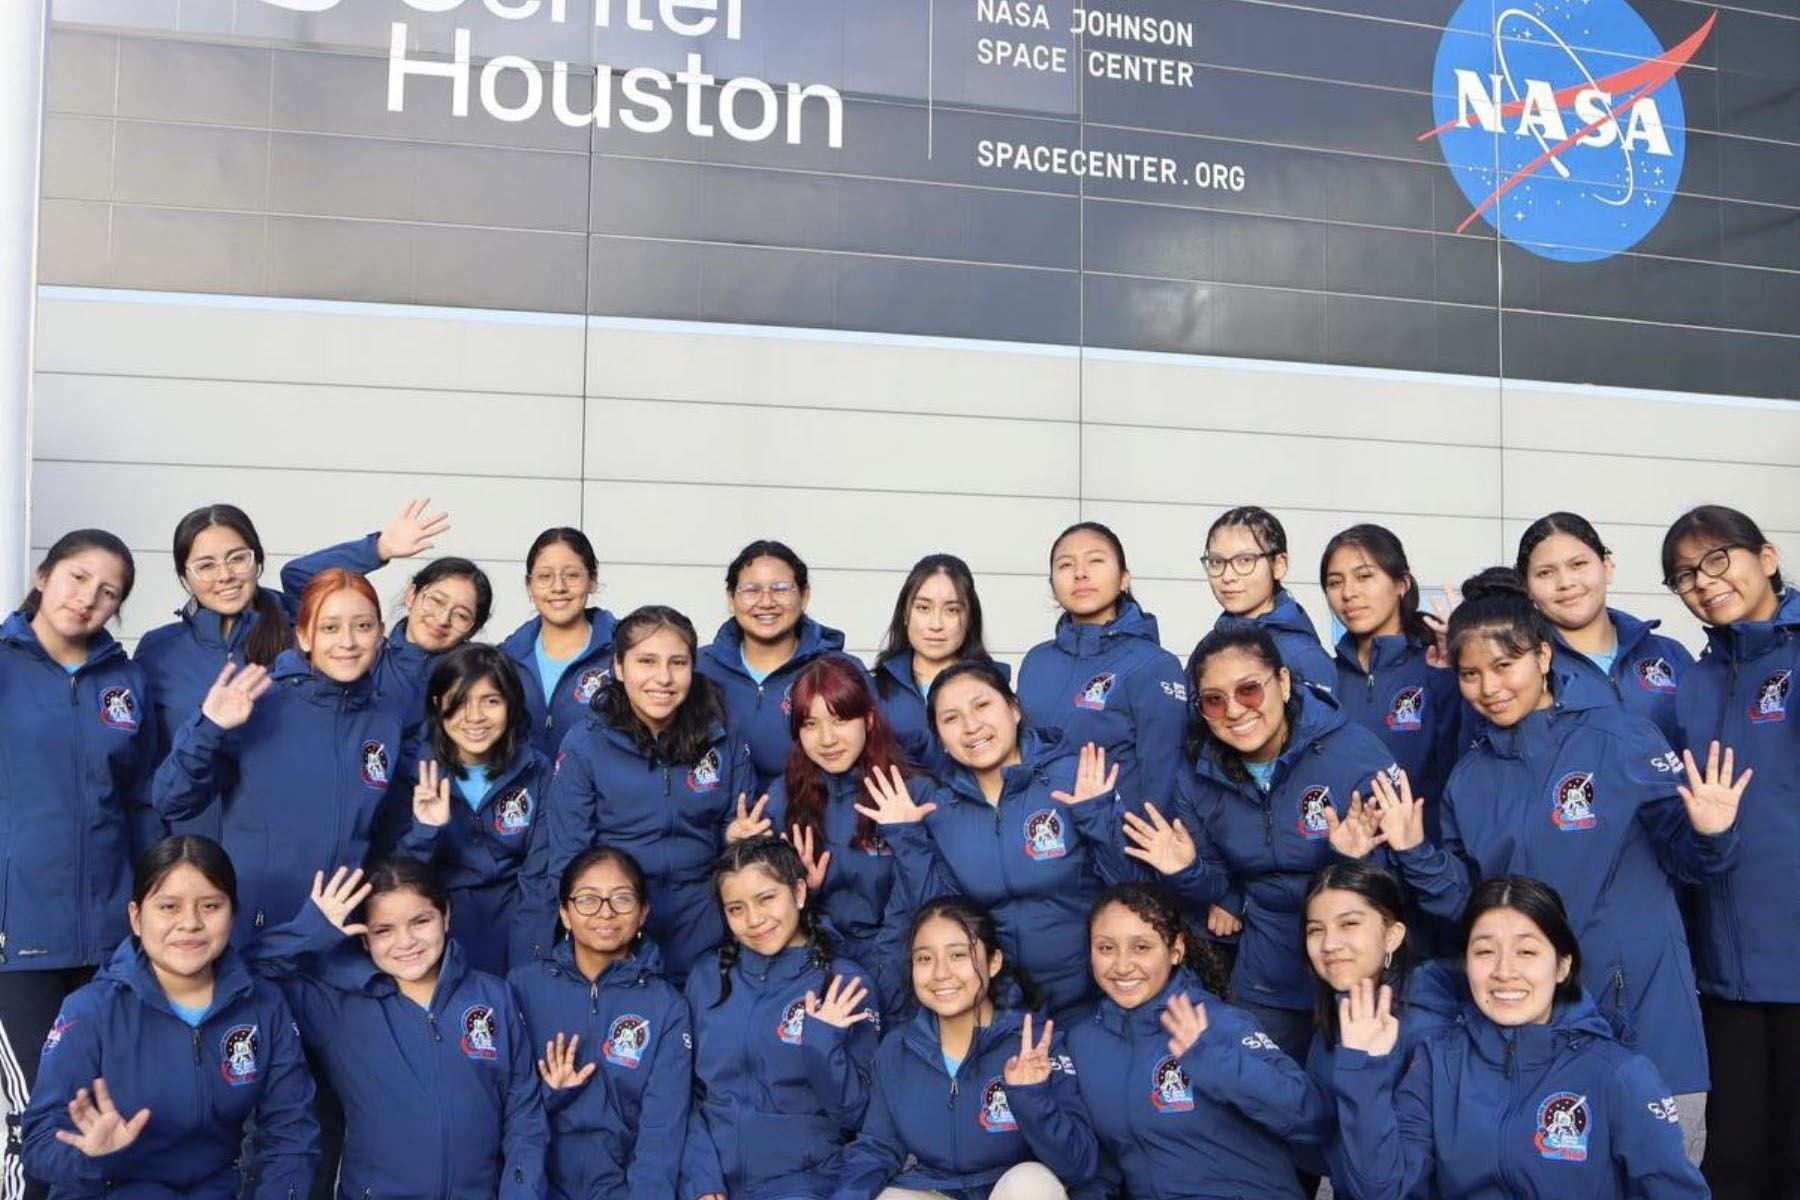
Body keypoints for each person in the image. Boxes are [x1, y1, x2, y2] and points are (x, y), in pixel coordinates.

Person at [1355, 568, 1745, 1149]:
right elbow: (1468, 904)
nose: (1489, 687)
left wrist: (1712, 832)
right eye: (1470, 674)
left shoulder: (1620, 739)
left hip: (1644, 1021)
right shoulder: (1470, 778)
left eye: (1504, 665)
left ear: (1542, 655)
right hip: (1535, 1031)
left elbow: (1692, 866)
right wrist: (1413, 852)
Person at [1329, 876, 1707, 1199]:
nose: (1504, 971)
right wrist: (1364, 1072)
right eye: (1485, 952)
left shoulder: (1618, 1074)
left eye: (1526, 951)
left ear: (1562, 965)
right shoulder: (1439, 1062)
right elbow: (1381, 1190)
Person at [1124, 620, 1397, 1064]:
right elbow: (1215, 886)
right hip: (1267, 975)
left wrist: (1346, 861)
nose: (1234, 710)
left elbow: (1396, 881)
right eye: (1214, 700)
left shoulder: (1354, 755)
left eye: (1249, 690)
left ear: (1283, 682)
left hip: (1353, 966)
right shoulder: (1198, 774)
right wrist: (1186, 872)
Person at [0, 530, 163, 1196]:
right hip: (19, 940)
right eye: (76, 578)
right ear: (43, 577)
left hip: (107, 942)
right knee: (33, 1115)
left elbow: (143, 804)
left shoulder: (125, 680)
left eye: (108, 592)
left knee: (101, 1105)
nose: (87, 599)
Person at [21, 836, 318, 1200]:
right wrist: (91, 1156)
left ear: (233, 914)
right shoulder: (90, 1011)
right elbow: (38, 1142)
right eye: (168, 907)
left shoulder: (264, 1006)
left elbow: (290, 1135)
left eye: (210, 906)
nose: (190, 923)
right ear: (136, 917)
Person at [251, 859, 549, 1200]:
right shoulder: (337, 1005)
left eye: (421, 921)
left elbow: (524, 1113)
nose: (405, 942)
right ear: (364, 939)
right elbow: (243, 975)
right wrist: (312, 931)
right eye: (384, 930)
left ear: (446, 915)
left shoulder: (494, 996)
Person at [151, 569, 420, 941]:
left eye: (362, 626)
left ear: (380, 633)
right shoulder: (259, 702)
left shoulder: (385, 722)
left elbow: (382, 835)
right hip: (258, 930)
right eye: (330, 628)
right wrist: (209, 728)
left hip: (339, 933)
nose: (348, 642)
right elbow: (171, 799)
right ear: (304, 636)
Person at [864, 661, 1136, 1018]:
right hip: (999, 1012)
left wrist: (1097, 818)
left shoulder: (1075, 777)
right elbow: (943, 915)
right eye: (951, 718)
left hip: (1098, 1005)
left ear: (1014, 708)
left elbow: (1134, 890)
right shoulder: (939, 810)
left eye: (982, 706)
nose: (971, 726)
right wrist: (907, 839)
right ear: (941, 741)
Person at [1661, 504, 1798, 1198]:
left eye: (1718, 559)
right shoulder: (1696, 679)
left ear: (1766, 557)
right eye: (1685, 575)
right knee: (1736, 1165)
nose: (1703, 582)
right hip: (1728, 972)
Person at [1065, 884, 1327, 1200]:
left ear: (1176, 950)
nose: (1122, 965)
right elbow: (1103, 1165)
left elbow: (1311, 1117)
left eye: (1142, 947)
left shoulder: (1216, 1023)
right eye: (1106, 948)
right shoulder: (1085, 1042)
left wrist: (1212, 1060)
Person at [831, 897, 1097, 1200]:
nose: (940, 973)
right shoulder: (898, 1049)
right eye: (924, 959)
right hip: (933, 1188)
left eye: (958, 955)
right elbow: (878, 1147)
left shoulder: (1033, 1044)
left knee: (1033, 1182)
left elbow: (1080, 1166)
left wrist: (1032, 1097)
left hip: (1009, 1188)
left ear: (993, 961)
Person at [544, 606, 757, 984]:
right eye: (647, 661)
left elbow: (739, 830)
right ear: (620, 668)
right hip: (617, 923)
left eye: (678, 662)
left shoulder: (722, 736)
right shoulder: (585, 744)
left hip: (703, 920)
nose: (663, 677)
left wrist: (733, 839)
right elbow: (569, 857)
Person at [681, 838, 878, 1200]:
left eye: (766, 898)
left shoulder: (843, 983)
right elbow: (689, 1095)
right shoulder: (705, 979)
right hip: (710, 1182)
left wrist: (822, 1043)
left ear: (799, 892)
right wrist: (702, 1181)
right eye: (736, 908)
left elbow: (860, 1115)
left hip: (805, 1182)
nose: (754, 920)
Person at [510, 846, 691, 1200]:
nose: (605, 913)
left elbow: (661, 1132)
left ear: (643, 913)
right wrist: (553, 1094)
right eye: (588, 899)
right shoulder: (521, 988)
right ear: (564, 913)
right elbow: (505, 1113)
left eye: (621, 899)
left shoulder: (668, 1005)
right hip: (537, 1185)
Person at [765, 656, 936, 1017]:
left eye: (840, 720)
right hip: (816, 977)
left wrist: (906, 835)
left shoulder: (913, 792)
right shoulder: (783, 797)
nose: (827, 739)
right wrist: (800, 896)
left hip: (904, 974)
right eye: (811, 724)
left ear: (869, 719)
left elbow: (936, 899)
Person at [1300, 862, 1460, 1195]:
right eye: (1316, 929)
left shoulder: (1428, 1031)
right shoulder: (1342, 1007)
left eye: (1350, 924)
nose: (1329, 944)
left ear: (1392, 936)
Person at [1016, 522, 1188, 818]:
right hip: (1046, 848)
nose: (1080, 573)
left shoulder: (1155, 665)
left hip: (1118, 845)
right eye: (1065, 565)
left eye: (1095, 561)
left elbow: (1163, 779)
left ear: (1124, 579)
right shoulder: (1036, 661)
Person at [281, 498, 492, 737]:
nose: (442, 619)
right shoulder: (362, 653)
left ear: (473, 629)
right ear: (412, 595)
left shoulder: (472, 677)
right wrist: (379, 549)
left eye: (461, 615)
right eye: (436, 600)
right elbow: (298, 578)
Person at [409, 644, 557, 973]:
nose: (474, 717)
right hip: (435, 925)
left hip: (516, 921)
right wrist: (425, 830)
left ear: (511, 705)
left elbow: (541, 877)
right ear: (438, 704)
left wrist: (527, 965)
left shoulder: (536, 770)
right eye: (459, 701)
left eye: (491, 701)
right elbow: (400, 880)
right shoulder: (416, 770)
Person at [134, 505, 293, 802]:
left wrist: (378, 547)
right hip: (189, 839)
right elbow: (144, 766)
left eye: (237, 559)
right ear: (184, 577)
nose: (225, 575)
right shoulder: (158, 651)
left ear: (256, 559)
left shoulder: (298, 639)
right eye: (206, 566)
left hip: (272, 836)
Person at [1320, 524, 1466, 814]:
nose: (1348, 593)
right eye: (1335, 582)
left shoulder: (1439, 665)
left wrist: (1455, 671)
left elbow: (1461, 760)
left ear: (1402, 584)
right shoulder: (1324, 679)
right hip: (1348, 853)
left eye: (1364, 576)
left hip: (1427, 851)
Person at [697, 540, 864, 789]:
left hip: (812, 819)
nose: (766, 602)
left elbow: (873, 755)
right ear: (731, 598)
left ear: (804, 595)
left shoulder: (840, 670)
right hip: (723, 822)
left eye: (781, 588)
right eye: (751, 589)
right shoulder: (698, 669)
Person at [1518, 511, 1693, 749]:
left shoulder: (1669, 654)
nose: (1566, 583)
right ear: (1526, 586)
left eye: (1578, 564)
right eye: (1545, 573)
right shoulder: (1521, 669)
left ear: (1607, 566)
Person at [872, 555, 1007, 775]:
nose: (936, 625)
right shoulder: (874, 690)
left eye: (951, 610)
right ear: (905, 614)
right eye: (923, 608)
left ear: (969, 617)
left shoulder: (996, 689)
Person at [500, 528, 619, 757]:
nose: (558, 587)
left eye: (572, 575)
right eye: (545, 576)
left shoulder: (624, 652)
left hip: (596, 793)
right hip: (525, 792)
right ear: (529, 585)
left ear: (592, 581)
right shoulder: (504, 660)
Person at [1201, 506, 1335, 695]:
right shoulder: (1210, 645)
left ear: (1279, 565)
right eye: (1216, 562)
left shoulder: (1305, 657)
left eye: (1245, 560)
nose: (1227, 576)